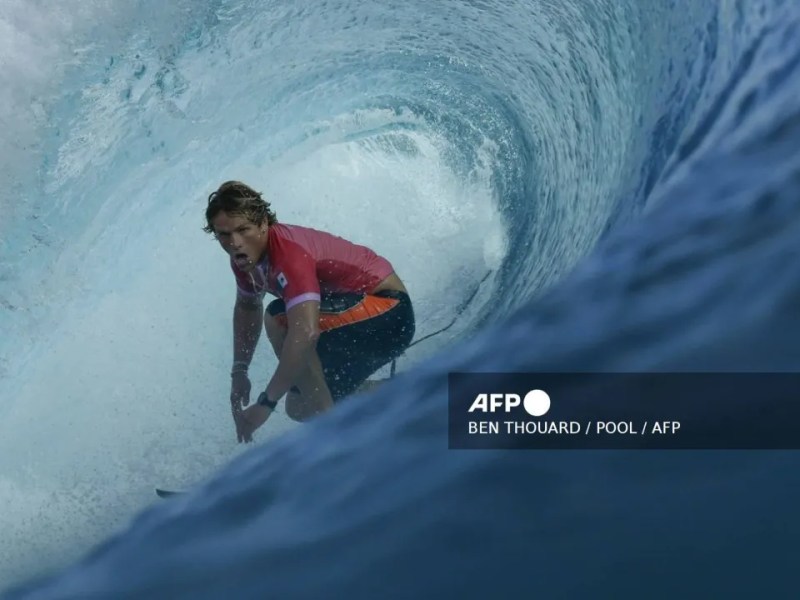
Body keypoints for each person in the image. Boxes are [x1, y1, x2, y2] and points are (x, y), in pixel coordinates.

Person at [204, 181, 415, 443]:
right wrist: (239, 372)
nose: (234, 242)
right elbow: (248, 307)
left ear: (263, 225)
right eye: (224, 234)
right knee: (300, 406)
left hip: (389, 314)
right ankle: (411, 390)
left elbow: (305, 333)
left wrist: (266, 403)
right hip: (350, 325)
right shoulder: (245, 259)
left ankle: (335, 440)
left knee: (279, 318)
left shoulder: (288, 253)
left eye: (243, 230)